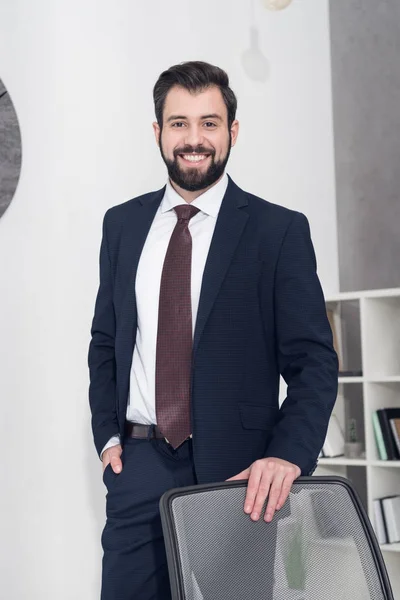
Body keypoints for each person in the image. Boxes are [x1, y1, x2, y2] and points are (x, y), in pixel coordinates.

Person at [88, 60, 338, 600]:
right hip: (139, 468)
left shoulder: (278, 231)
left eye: (209, 122)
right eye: (179, 123)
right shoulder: (122, 225)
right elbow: (106, 340)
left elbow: (314, 361)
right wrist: (107, 435)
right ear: (158, 132)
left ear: (232, 132)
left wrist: (289, 454)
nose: (194, 138)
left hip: (240, 476)